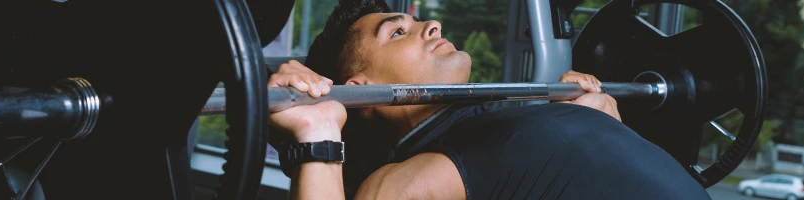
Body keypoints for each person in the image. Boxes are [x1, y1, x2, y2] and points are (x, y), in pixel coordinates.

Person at [266, 0, 711, 199]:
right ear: (361, 93)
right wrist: (319, 131)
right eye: (397, 32)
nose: (434, 26)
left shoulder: (510, 121)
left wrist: (598, 128)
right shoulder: (405, 181)